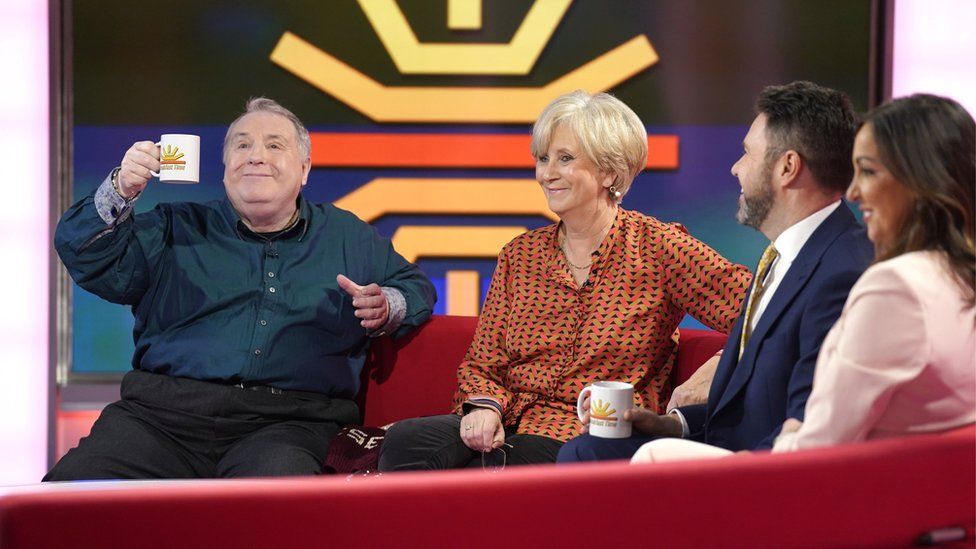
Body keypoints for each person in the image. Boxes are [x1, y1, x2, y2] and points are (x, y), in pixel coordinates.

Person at [46, 97, 436, 480]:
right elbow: (84, 252)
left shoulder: (348, 236)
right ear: (225, 167)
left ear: (304, 168)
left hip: (287, 425)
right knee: (64, 503)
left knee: (272, 506)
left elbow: (416, 285)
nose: (255, 156)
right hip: (160, 419)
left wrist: (388, 306)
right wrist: (122, 186)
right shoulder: (176, 226)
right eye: (242, 145)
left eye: (274, 145)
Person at [377, 90, 751, 471]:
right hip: (508, 423)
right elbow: (483, 363)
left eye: (565, 159)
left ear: (609, 171)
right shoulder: (520, 255)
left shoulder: (658, 248)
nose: (546, 173)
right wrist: (483, 408)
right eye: (543, 158)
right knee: (408, 441)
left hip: (587, 438)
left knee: (501, 469)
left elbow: (764, 308)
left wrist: (717, 366)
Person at [558, 81, 874, 463]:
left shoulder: (841, 271)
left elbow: (808, 424)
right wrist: (671, 423)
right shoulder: (783, 254)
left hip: (761, 470)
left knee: (587, 457)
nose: (735, 168)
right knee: (589, 448)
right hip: (719, 441)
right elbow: (746, 401)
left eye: (746, 154)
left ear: (788, 167)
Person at [770, 94, 976, 451]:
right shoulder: (958, 276)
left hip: (852, 495)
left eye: (867, 171)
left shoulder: (895, 287)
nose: (852, 192)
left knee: (653, 453)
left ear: (921, 179)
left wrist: (789, 435)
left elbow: (817, 452)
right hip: (934, 495)